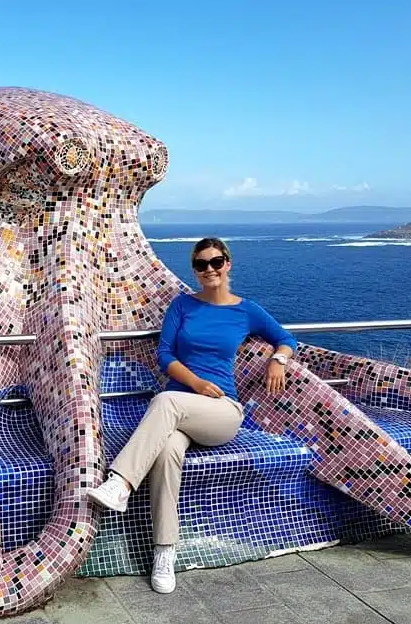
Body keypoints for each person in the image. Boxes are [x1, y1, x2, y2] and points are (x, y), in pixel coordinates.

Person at [86, 237, 297, 594]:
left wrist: (278, 360)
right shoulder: (182, 306)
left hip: (221, 412)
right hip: (181, 408)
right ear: (195, 270)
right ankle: (164, 552)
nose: (209, 269)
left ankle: (120, 483)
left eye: (216, 262)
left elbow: (285, 337)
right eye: (201, 264)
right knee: (166, 452)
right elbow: (165, 356)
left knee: (166, 401)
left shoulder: (246, 310)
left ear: (228, 263)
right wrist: (196, 383)